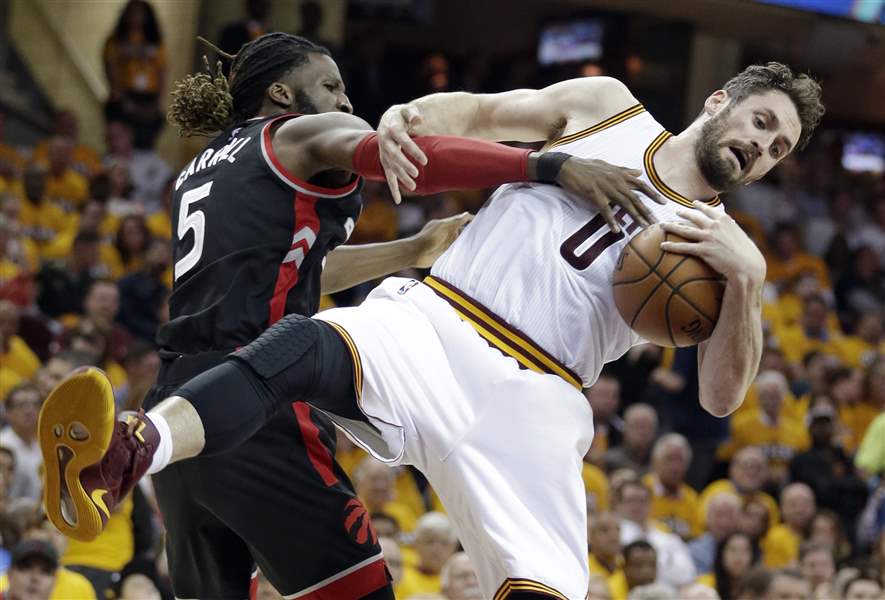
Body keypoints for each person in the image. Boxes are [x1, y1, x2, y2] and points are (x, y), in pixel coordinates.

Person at [42, 61, 824, 598]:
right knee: (301, 345)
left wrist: (748, 284)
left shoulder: (727, 255)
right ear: (719, 101)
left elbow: (722, 400)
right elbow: (480, 114)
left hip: (541, 395)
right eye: (759, 122)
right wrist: (402, 124)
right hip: (441, 318)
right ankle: (125, 453)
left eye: (776, 149)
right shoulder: (607, 107)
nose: (760, 147)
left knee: (546, 586)